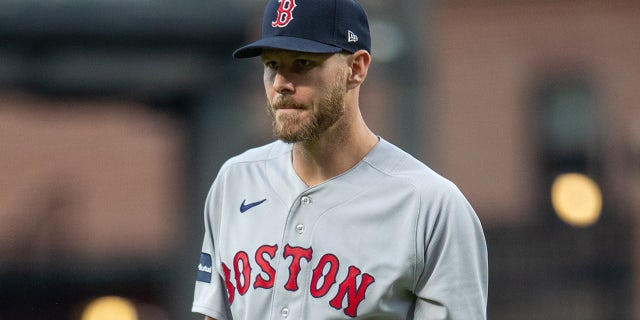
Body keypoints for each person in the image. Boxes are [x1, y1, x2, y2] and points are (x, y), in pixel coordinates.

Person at [192, 0, 488, 319]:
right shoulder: (235, 180)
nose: (281, 84)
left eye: (302, 62)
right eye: (272, 64)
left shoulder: (430, 206)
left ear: (356, 68)